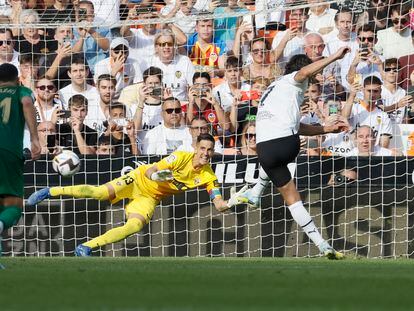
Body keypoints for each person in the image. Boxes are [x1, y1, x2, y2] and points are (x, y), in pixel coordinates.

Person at [27, 133, 249, 256]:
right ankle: (50, 191)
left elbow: (218, 204)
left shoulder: (209, 177)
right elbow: (152, 169)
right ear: (195, 147)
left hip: (150, 197)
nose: (206, 154)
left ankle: (86, 247)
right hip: (138, 179)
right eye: (203, 149)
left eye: (210, 150)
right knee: (100, 193)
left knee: (134, 227)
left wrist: (232, 201)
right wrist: (156, 176)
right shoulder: (181, 156)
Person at [237, 48, 351, 259]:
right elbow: (304, 73)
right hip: (287, 145)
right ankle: (322, 244)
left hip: (265, 151)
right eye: (312, 77)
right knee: (293, 198)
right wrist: (335, 56)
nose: (311, 82)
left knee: (292, 200)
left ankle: (256, 192)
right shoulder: (293, 79)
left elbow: (295, 125)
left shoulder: (275, 89)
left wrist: (325, 129)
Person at [0, 63, 40, 256]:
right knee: (14, 204)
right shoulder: (20, 90)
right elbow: (26, 102)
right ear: (17, 79)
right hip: (7, 151)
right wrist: (34, 138)